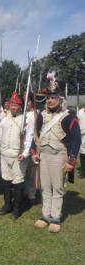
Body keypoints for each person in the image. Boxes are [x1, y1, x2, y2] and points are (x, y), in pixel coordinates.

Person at [32, 73, 81, 233]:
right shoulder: (42, 115)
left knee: (58, 188)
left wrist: (71, 160)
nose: (50, 101)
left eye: (53, 98)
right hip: (44, 155)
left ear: (60, 99)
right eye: (48, 98)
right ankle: (45, 215)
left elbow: (75, 140)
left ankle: (55, 217)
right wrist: (34, 152)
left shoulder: (69, 116)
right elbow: (36, 135)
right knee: (45, 187)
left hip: (60, 155)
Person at [0, 91, 34, 219]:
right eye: (11, 105)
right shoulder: (4, 120)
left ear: (20, 107)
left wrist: (25, 153)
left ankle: (17, 208)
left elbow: (29, 138)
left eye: (16, 105)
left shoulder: (26, 120)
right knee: (5, 180)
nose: (13, 107)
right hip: (5, 154)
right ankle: (7, 205)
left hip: (18, 155)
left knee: (18, 182)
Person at [77, 106, 85, 178]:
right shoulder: (80, 112)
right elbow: (77, 122)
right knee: (82, 154)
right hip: (82, 136)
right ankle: (83, 172)